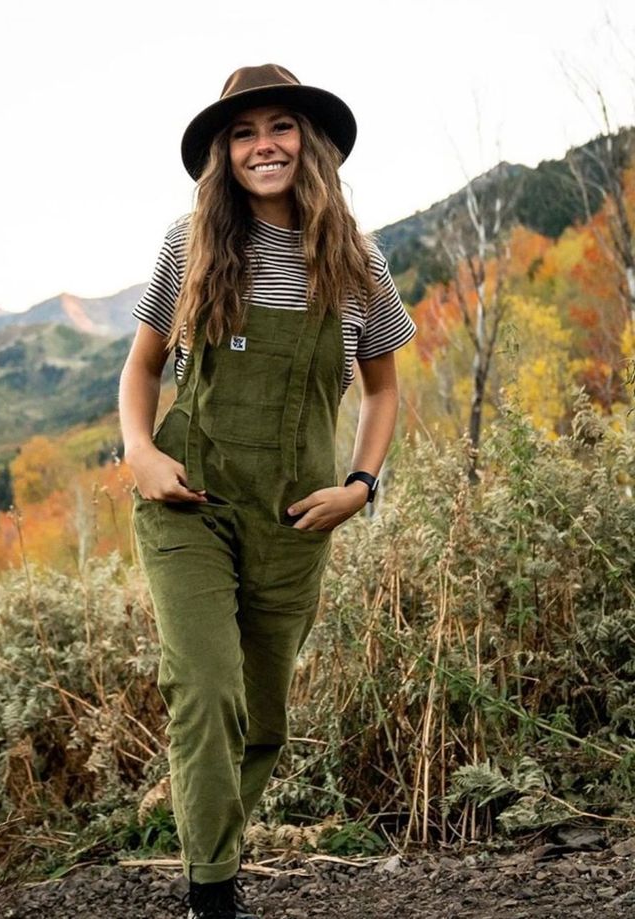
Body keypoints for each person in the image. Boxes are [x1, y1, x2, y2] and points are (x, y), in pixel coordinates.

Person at [118, 63, 416, 919]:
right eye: (243, 133)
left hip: (295, 515)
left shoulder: (358, 260)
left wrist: (359, 484)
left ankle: (213, 838)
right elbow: (141, 366)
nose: (263, 146)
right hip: (189, 500)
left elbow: (384, 387)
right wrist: (139, 450)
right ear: (224, 154)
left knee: (264, 719)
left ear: (309, 141)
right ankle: (211, 893)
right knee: (204, 685)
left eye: (279, 127)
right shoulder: (194, 242)